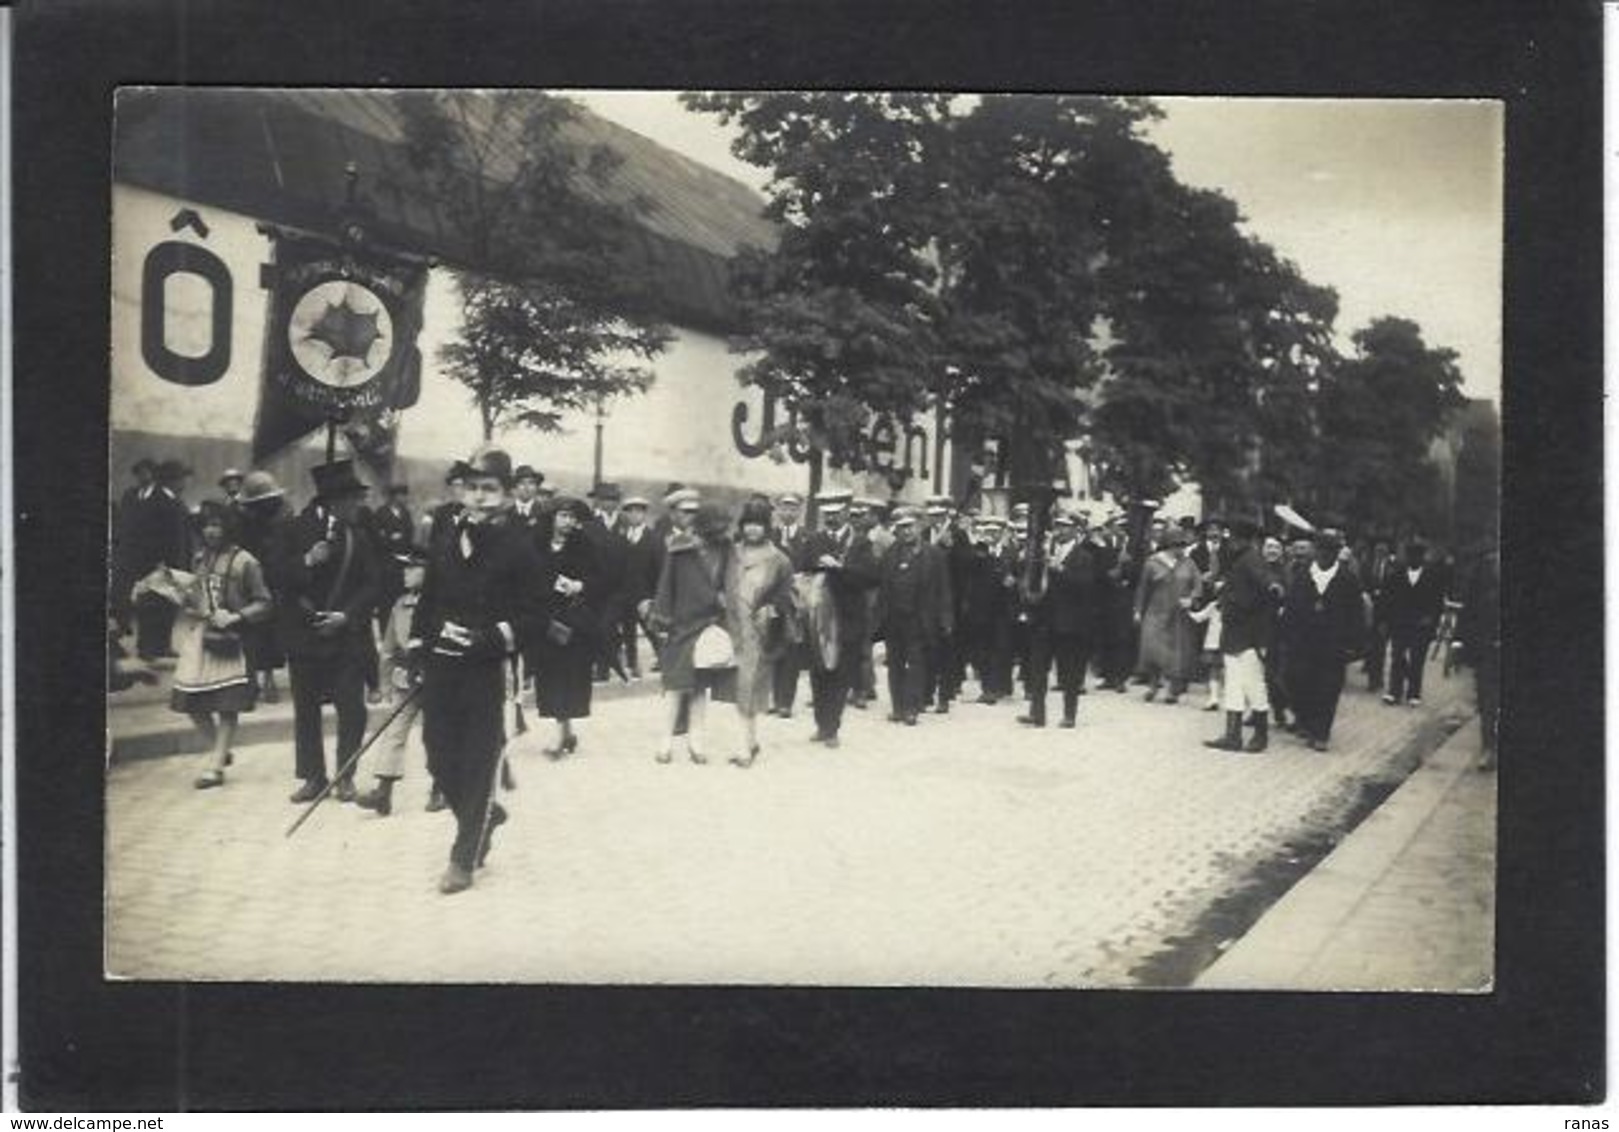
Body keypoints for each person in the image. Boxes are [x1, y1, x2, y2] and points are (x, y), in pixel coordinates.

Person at [408, 447, 544, 893]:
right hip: (442, 665)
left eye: (490, 489)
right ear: (462, 491)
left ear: (504, 495)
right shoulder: (447, 531)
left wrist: (489, 640)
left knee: (480, 760)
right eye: (473, 488)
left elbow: (534, 616)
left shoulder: (519, 544)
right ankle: (484, 815)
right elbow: (429, 596)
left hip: (486, 669)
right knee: (436, 752)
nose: (480, 497)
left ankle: (463, 858)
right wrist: (416, 649)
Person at [270, 459, 382, 805]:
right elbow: (274, 576)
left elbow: (372, 584)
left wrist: (346, 616)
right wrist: (305, 562)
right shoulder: (291, 530)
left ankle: (345, 775)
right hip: (304, 636)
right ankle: (313, 777)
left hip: (345, 637)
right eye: (354, 499)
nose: (359, 506)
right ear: (335, 501)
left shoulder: (359, 537)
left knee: (353, 709)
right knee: (306, 710)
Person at [169, 502, 274, 789]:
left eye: (216, 524)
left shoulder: (245, 561)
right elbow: (197, 594)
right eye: (206, 525)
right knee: (190, 701)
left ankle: (215, 768)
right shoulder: (200, 558)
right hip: (201, 637)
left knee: (227, 705)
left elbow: (265, 603)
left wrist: (237, 615)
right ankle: (220, 749)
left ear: (228, 527)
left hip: (231, 641)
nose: (211, 530)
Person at [648, 493, 735, 763]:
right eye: (718, 526)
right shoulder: (679, 548)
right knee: (675, 685)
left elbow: (731, 580)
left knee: (699, 687)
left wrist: (726, 599)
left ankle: (696, 744)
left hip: (710, 624)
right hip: (682, 624)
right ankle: (664, 744)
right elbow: (666, 585)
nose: (723, 531)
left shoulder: (727, 548)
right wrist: (661, 619)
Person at [799, 490, 880, 748]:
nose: (831, 518)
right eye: (827, 514)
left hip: (848, 618)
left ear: (847, 512)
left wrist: (840, 568)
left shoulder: (859, 543)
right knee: (819, 673)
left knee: (841, 672)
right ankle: (821, 724)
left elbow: (870, 578)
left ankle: (832, 727)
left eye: (836, 513)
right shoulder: (814, 540)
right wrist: (816, 567)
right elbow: (800, 569)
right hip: (819, 618)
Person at [355, 547, 429, 817]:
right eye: (404, 568)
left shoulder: (441, 602)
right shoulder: (400, 604)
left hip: (437, 682)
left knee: (437, 737)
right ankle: (383, 793)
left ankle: (441, 790)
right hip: (406, 680)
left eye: (412, 568)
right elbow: (388, 647)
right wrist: (385, 682)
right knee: (394, 732)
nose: (405, 573)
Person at [722, 498, 795, 766]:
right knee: (740, 686)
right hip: (731, 627)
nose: (753, 530)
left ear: (767, 527)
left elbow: (787, 594)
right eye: (749, 524)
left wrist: (772, 610)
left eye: (759, 524)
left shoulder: (779, 559)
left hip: (759, 630)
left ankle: (744, 746)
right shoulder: (732, 553)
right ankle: (750, 742)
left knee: (749, 684)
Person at [1282, 528, 1365, 752]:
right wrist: (1287, 638)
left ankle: (1321, 733)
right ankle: (1306, 721)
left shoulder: (1347, 580)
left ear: (1337, 552)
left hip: (1333, 645)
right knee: (1299, 683)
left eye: (1332, 551)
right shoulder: (1303, 576)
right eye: (1322, 550)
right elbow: (1291, 609)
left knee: (1328, 687)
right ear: (1315, 551)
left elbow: (1356, 614)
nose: (1326, 555)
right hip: (1303, 643)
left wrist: (1354, 645)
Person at [533, 495, 601, 756]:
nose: (567, 522)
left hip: (573, 622)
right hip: (546, 620)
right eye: (562, 516)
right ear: (552, 518)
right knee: (550, 676)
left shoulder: (584, 545)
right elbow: (527, 576)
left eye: (572, 517)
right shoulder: (538, 544)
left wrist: (579, 586)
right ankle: (566, 732)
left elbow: (600, 579)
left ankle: (559, 738)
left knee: (568, 676)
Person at [1203, 519, 1278, 753]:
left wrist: (1274, 587)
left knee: (1254, 684)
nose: (1230, 541)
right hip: (1236, 632)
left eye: (1233, 537)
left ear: (1243, 539)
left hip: (1248, 635)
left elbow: (1266, 585)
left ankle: (1259, 736)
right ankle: (1233, 735)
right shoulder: (1240, 559)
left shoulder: (1251, 559)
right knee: (1235, 684)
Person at [1020, 507, 1099, 729]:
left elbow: (1085, 586)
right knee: (1037, 669)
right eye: (1058, 526)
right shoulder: (1045, 551)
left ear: (1076, 530)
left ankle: (1069, 714)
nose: (1060, 530)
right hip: (1044, 619)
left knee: (1070, 672)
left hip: (1070, 622)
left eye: (1065, 527)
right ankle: (1037, 713)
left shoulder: (1084, 556)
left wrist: (1060, 570)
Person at [875, 506, 953, 726]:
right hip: (894, 618)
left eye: (910, 527)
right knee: (896, 663)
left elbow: (944, 589)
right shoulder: (891, 553)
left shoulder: (934, 555)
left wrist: (946, 618)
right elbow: (882, 586)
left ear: (919, 527)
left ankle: (912, 708)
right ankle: (898, 707)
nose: (906, 532)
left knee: (917, 663)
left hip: (920, 619)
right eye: (901, 528)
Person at [123, 458, 194, 660]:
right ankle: (147, 648)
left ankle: (163, 645)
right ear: (173, 480)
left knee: (168, 606)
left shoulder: (175, 500)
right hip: (159, 563)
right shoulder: (157, 501)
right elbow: (149, 534)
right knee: (153, 606)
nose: (186, 483)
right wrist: (157, 561)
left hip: (175, 563)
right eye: (183, 478)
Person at [233, 470, 291, 704]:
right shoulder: (242, 522)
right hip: (251, 581)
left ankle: (267, 679)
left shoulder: (283, 518)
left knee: (271, 634)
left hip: (275, 580)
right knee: (251, 633)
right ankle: (252, 681)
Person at [1134, 527, 1199, 703]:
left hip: (1179, 613)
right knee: (1153, 649)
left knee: (1177, 652)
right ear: (1168, 545)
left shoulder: (1189, 563)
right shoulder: (1152, 563)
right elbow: (1142, 588)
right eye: (1177, 545)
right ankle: (1153, 685)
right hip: (1156, 611)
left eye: (1183, 545)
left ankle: (1173, 690)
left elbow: (1197, 585)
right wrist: (1138, 610)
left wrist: (1191, 599)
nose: (1181, 549)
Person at [1381, 538, 1445, 707]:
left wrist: (1432, 622)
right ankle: (1394, 691)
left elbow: (1438, 603)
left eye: (1417, 555)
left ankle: (1413, 693)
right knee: (1397, 657)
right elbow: (1387, 599)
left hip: (1421, 625)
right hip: (1400, 623)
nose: (1413, 559)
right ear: (1407, 557)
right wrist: (1386, 620)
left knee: (1417, 659)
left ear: (1422, 557)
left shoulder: (1433, 576)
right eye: (1410, 555)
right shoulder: (1397, 575)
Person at [1454, 545, 1500, 770]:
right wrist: (1459, 640)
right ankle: (1488, 747)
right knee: (1486, 700)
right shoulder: (1485, 566)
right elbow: (1469, 606)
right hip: (1487, 647)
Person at [964, 514, 1017, 704]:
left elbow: (1019, 574)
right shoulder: (978, 551)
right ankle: (988, 688)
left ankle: (1001, 685)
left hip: (1004, 609)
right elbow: (970, 567)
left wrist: (1013, 583)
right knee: (983, 649)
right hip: (982, 608)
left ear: (1002, 533)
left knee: (1002, 648)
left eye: (995, 532)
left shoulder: (1011, 552)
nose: (991, 535)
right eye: (988, 531)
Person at [768, 492, 811, 717]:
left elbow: (810, 569)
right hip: (773, 601)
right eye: (784, 508)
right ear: (777, 511)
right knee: (773, 649)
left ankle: (786, 701)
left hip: (795, 604)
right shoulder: (771, 537)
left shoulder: (806, 537)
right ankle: (774, 699)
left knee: (792, 652)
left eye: (793, 508)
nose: (788, 512)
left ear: (800, 511)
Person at [584, 482, 630, 684]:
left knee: (607, 625)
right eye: (605, 499)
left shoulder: (625, 525)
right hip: (595, 588)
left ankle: (604, 666)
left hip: (618, 590)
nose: (609, 503)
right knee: (597, 627)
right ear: (599, 502)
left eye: (613, 500)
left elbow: (631, 558)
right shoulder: (589, 525)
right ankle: (601, 666)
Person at [618, 496, 659, 678]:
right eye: (631, 511)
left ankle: (665, 659)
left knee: (651, 629)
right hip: (626, 594)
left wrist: (653, 597)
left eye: (639, 511)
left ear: (644, 513)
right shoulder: (622, 537)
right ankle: (633, 664)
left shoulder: (653, 539)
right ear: (626, 514)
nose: (635, 515)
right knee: (628, 631)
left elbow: (659, 570)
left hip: (645, 594)